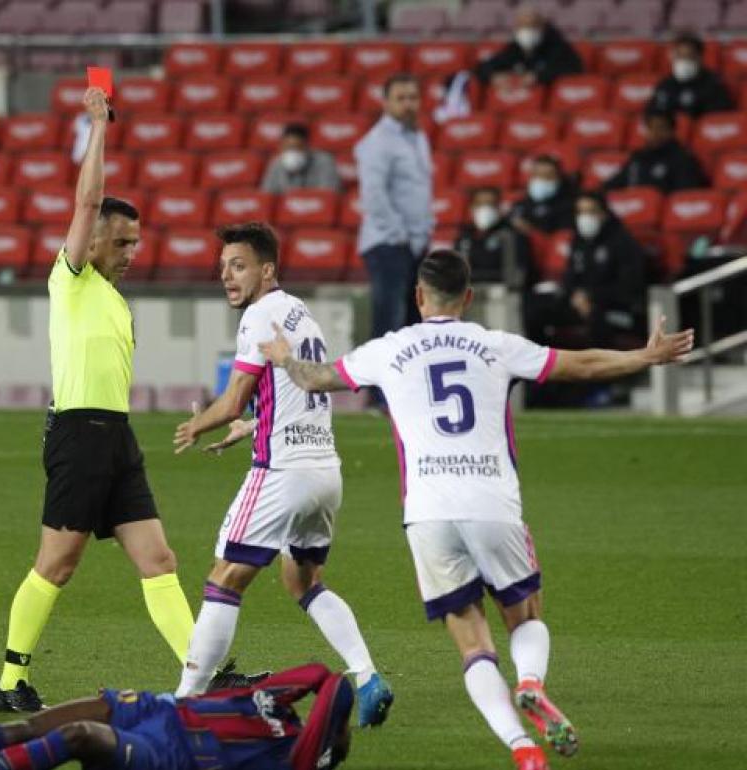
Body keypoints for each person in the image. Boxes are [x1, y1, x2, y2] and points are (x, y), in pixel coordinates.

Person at [256, 249, 694, 770]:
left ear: (418, 296)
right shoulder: (495, 346)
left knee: (470, 639)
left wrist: (283, 355)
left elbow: (313, 378)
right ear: (468, 297)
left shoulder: (389, 349)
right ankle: (530, 683)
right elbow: (578, 364)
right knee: (525, 613)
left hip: (428, 512)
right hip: (492, 500)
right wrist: (644, 357)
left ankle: (522, 749)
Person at [0, 87, 199, 713]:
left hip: (116, 438)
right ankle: (9, 681)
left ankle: (202, 675)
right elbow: (86, 199)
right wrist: (97, 125)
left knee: (158, 557)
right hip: (79, 435)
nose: (132, 252)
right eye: (123, 242)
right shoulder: (72, 277)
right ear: (95, 240)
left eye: (137, 242)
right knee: (57, 563)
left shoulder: (109, 294)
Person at [168, 223, 394, 726]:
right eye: (224, 266)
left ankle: (183, 704)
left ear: (267, 270)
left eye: (239, 265)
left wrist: (197, 425)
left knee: (223, 579)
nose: (227, 275)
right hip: (324, 472)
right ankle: (368, 675)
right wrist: (251, 426)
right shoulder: (299, 313)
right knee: (303, 579)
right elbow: (292, 391)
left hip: (282, 472)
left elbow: (230, 400)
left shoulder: (258, 315)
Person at [0, 663, 355, 770]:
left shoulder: (295, 758)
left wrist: (334, 703)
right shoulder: (276, 707)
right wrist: (339, 689)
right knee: (29, 725)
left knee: (80, 736)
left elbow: (331, 694)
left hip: (172, 757)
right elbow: (322, 676)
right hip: (152, 710)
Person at [354, 72, 433, 337]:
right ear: (385, 102)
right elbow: (373, 195)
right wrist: (399, 235)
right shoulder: (378, 141)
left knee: (413, 323)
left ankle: (409, 379)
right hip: (389, 243)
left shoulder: (418, 137)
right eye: (400, 98)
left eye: (413, 97)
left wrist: (421, 235)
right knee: (389, 323)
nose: (408, 104)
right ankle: (379, 380)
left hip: (414, 243)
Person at [561, 192, 648, 348]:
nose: (584, 218)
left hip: (619, 310)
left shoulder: (622, 241)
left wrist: (590, 297)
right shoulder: (578, 241)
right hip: (581, 303)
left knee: (596, 317)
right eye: (580, 212)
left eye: (590, 212)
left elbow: (629, 287)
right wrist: (575, 295)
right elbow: (569, 277)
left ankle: (603, 371)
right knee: (538, 308)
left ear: (603, 214)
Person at [602, 109, 709, 195]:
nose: (654, 133)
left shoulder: (683, 159)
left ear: (671, 131)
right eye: (650, 128)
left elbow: (685, 194)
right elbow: (613, 184)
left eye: (660, 128)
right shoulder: (638, 158)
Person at [474, 6, 583, 86]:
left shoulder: (557, 45)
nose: (525, 31)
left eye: (530, 26)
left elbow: (573, 68)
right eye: (521, 27)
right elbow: (483, 67)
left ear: (541, 26)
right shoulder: (515, 47)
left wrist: (538, 76)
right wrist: (493, 76)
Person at [457, 187, 534, 290]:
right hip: (470, 292)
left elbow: (518, 276)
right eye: (479, 204)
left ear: (498, 207)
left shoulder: (512, 235)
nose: (485, 209)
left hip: (502, 293)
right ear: (471, 207)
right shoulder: (464, 237)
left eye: (490, 204)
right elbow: (457, 274)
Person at [649, 31, 733, 118]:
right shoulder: (666, 84)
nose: (683, 61)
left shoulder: (713, 84)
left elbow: (718, 117)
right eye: (679, 56)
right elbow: (651, 112)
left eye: (688, 56)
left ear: (699, 57)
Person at [260, 123, 341, 194]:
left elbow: (329, 194)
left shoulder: (324, 161)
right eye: (287, 147)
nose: (292, 151)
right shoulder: (276, 163)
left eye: (296, 147)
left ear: (307, 146)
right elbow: (267, 194)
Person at [509, 155, 575, 236]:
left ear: (558, 178)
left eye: (547, 176)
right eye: (537, 175)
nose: (541, 180)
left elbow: (561, 235)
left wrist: (531, 231)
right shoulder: (521, 202)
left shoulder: (567, 205)